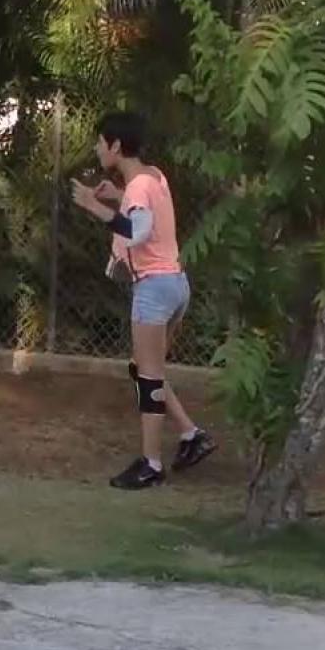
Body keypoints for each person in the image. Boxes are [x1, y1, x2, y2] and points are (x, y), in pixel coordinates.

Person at [70, 111, 216, 489]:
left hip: (154, 288)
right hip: (176, 284)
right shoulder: (153, 177)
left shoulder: (137, 188)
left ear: (116, 146)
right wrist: (116, 196)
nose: (97, 148)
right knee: (144, 368)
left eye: (100, 142)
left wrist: (93, 205)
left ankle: (151, 464)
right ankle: (191, 435)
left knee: (148, 377)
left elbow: (137, 230)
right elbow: (149, 213)